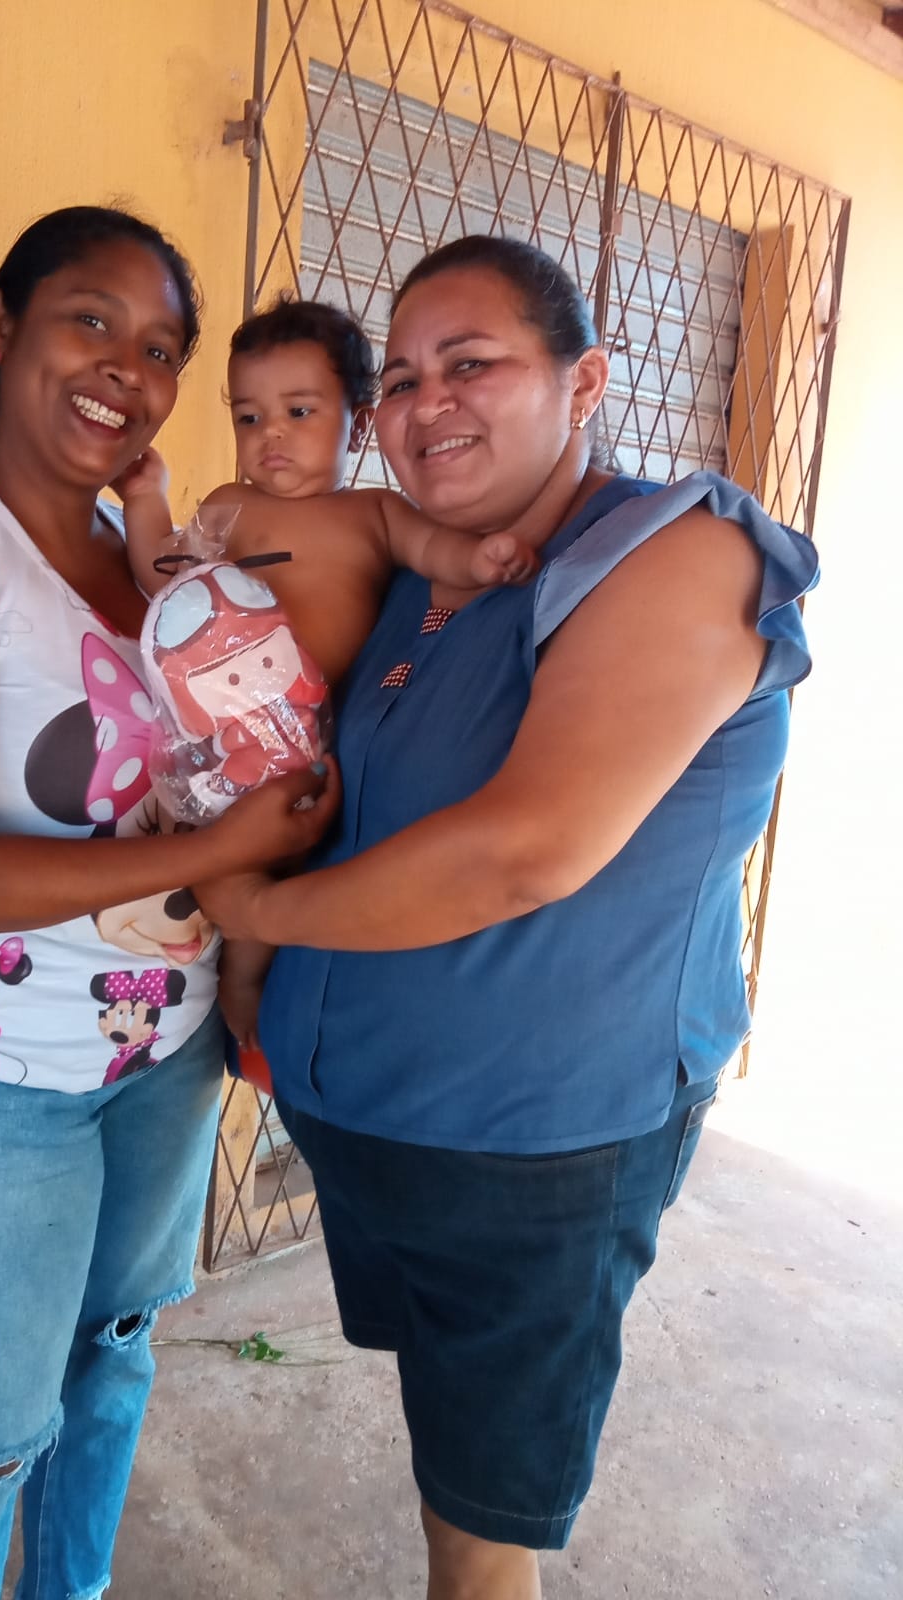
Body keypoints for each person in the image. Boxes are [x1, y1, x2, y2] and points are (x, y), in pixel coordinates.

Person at [193, 235, 818, 1600]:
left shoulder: (677, 553)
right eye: (402, 379)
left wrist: (259, 907)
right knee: (448, 1451)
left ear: (584, 381)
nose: (427, 405)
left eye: (471, 364)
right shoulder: (428, 566)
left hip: (532, 1151)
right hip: (369, 1118)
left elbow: (524, 854)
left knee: (485, 1535)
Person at [0, 206, 338, 1600]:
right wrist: (217, 853)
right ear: (1, 326)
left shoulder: (144, 554)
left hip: (166, 1048)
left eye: (159, 349)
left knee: (113, 1352)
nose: (126, 369)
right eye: (90, 319)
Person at [119, 297, 538, 1050]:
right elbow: (165, 580)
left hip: (320, 745)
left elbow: (435, 551)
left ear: (360, 423)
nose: (271, 435)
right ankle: (208, 986)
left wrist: (481, 559)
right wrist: (146, 497)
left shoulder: (374, 514)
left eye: (300, 412)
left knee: (291, 874)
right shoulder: (231, 506)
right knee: (210, 869)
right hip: (230, 742)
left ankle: (253, 988)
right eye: (249, 418)